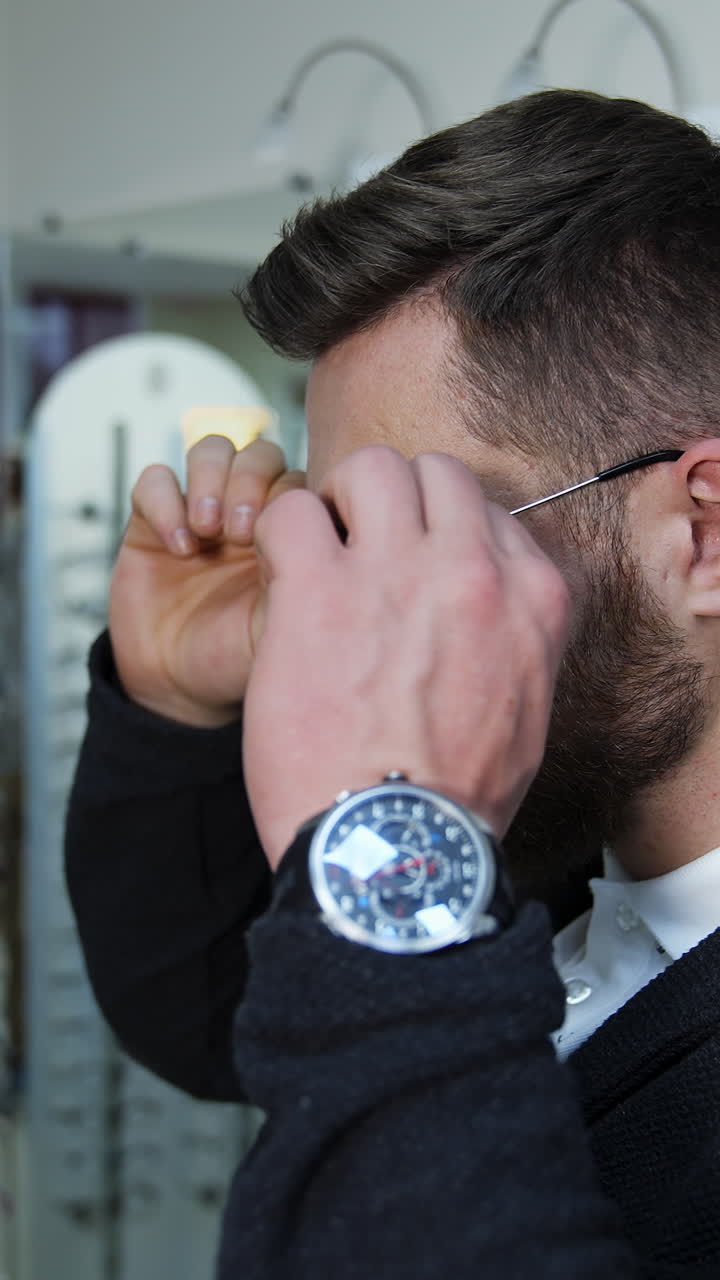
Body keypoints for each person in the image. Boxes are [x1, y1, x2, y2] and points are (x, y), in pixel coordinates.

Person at [65, 89, 720, 1278]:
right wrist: (175, 701)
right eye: (338, 521)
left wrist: (399, 844)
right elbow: (227, 1012)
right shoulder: (553, 852)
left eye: (419, 517)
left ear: (706, 532)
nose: (350, 589)